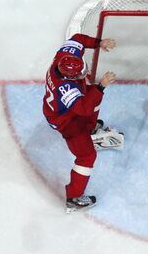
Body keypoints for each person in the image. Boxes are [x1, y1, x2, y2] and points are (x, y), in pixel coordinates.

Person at [43, 33, 123, 212]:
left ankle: (90, 129)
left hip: (69, 110)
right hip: (65, 122)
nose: (83, 73)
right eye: (79, 74)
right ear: (70, 78)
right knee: (87, 157)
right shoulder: (65, 90)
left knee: (92, 94)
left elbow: (77, 39)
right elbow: (84, 109)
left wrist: (98, 43)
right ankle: (73, 198)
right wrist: (101, 85)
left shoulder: (64, 57)